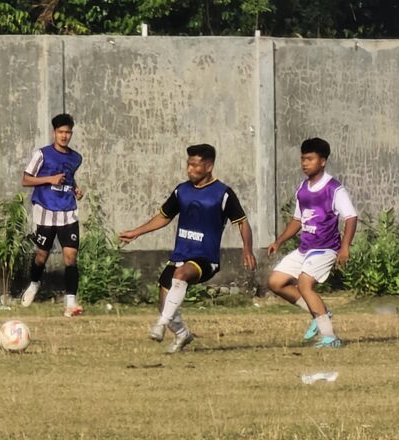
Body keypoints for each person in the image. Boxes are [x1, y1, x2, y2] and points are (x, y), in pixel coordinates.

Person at [119, 144, 257, 353]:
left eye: (195, 165)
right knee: (164, 301)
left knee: (181, 275)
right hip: (180, 254)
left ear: (209, 166)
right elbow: (164, 217)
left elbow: (242, 222)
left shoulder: (223, 193)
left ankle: (161, 325)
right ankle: (183, 334)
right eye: (188, 165)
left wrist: (247, 249)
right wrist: (137, 232)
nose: (190, 169)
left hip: (206, 259)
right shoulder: (181, 191)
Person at [267, 137, 358, 348]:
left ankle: (330, 337)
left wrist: (345, 247)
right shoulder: (303, 188)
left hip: (325, 248)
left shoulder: (334, 189)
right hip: (305, 249)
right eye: (302, 159)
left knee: (305, 284)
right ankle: (319, 313)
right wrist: (279, 241)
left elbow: (351, 217)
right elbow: (298, 220)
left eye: (310, 159)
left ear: (323, 161)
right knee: (275, 282)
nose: (305, 163)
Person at [19, 113, 85, 317]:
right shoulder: (42, 154)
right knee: (41, 255)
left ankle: (70, 303)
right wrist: (50, 179)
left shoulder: (76, 158)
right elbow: (26, 180)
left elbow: (68, 179)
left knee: (70, 256)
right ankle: (34, 284)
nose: (64, 136)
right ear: (54, 132)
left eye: (68, 132)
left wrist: (75, 190)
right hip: (46, 210)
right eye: (61, 132)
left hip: (68, 212)